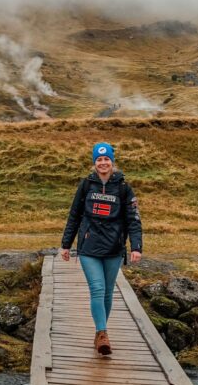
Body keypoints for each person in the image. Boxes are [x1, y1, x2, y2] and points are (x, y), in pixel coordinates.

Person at [60, 141, 143, 355]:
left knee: (107, 293)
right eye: (99, 159)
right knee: (97, 289)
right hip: (89, 247)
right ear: (94, 162)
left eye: (106, 159)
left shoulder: (123, 187)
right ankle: (103, 332)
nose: (103, 163)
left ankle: (99, 334)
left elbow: (133, 219)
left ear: (112, 162)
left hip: (114, 249)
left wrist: (136, 246)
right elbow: (75, 215)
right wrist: (66, 244)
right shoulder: (86, 185)